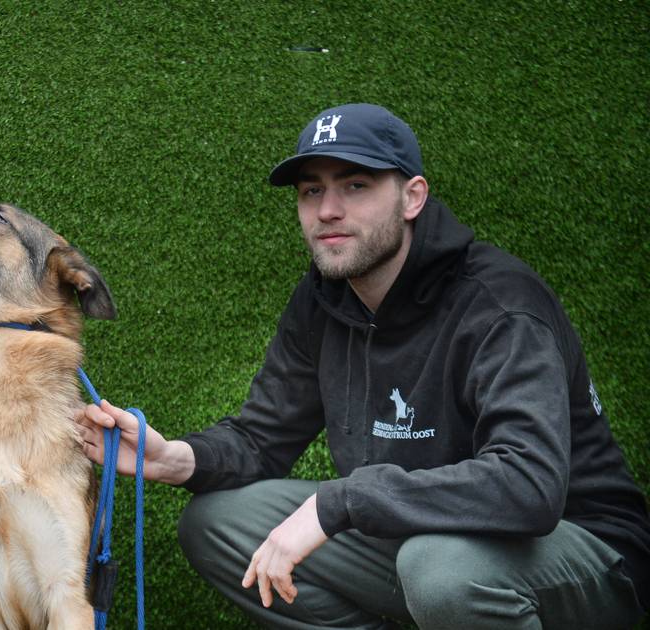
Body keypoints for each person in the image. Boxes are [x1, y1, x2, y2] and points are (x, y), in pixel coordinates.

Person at [77, 103, 649, 629]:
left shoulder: (499, 304)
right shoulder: (324, 299)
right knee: (219, 523)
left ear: (413, 197)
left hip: (581, 554)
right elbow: (263, 437)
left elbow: (530, 484)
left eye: (356, 185)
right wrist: (178, 458)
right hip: (424, 536)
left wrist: (341, 502)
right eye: (310, 191)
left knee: (442, 570)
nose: (327, 210)